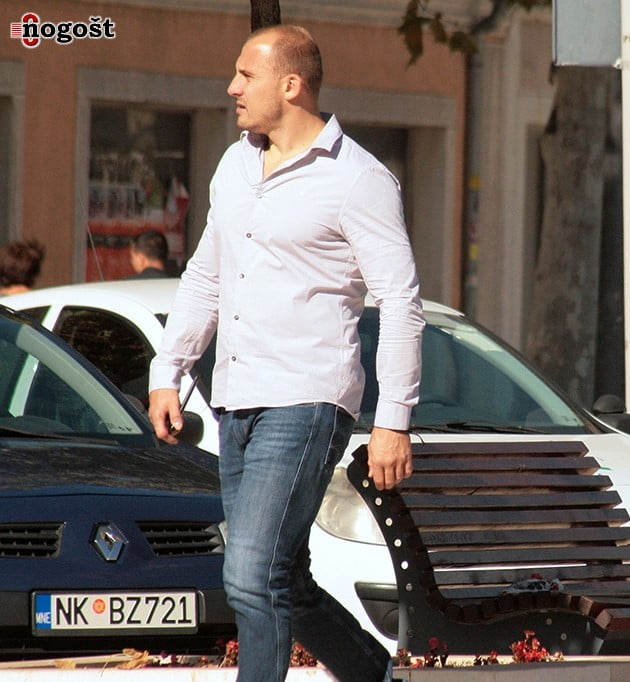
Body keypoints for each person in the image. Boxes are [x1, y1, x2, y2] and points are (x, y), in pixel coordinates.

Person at [147, 24, 423, 682]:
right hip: (236, 399)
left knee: (249, 575)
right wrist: (168, 369)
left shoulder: (359, 179)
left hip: (308, 398)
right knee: (283, 580)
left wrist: (395, 420)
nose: (231, 87)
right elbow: (207, 275)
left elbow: (400, 300)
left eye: (246, 75)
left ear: (291, 85)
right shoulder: (235, 164)